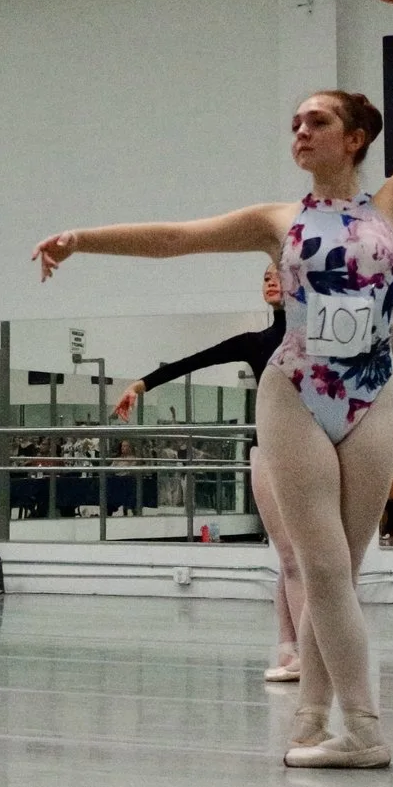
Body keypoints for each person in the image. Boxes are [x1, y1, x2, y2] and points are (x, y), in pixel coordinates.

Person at [33, 0, 393, 769]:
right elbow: (175, 238)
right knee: (323, 565)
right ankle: (364, 732)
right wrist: (81, 236)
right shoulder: (280, 220)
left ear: (355, 136)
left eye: (317, 119)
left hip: (370, 397)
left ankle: (310, 716)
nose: (300, 130)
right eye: (294, 121)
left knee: (345, 571)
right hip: (294, 393)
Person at [114, 265, 296, 678]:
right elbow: (194, 360)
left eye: (279, 274)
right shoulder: (258, 341)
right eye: (264, 275)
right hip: (266, 452)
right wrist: (139, 386)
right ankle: (290, 649)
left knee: (305, 559)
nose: (269, 280)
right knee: (286, 557)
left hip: (305, 455)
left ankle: (309, 651)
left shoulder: (313, 342)